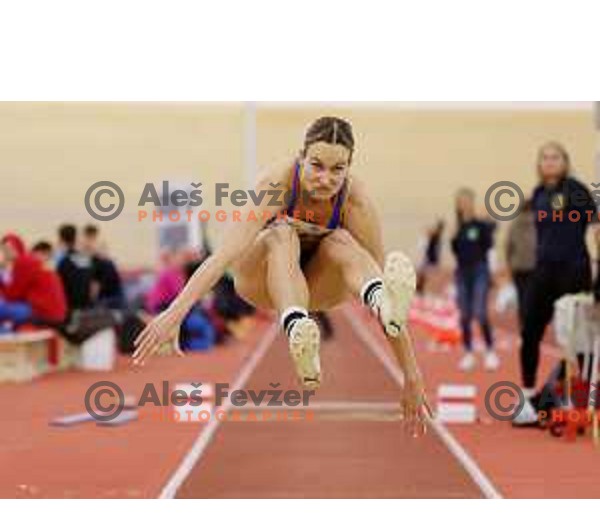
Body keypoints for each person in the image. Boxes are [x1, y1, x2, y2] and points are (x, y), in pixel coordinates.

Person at [133, 116, 431, 433]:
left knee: (342, 241)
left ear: (349, 168)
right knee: (281, 233)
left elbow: (374, 269)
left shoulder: (355, 201)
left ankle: (378, 303)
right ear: (300, 158)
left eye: (337, 170)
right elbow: (222, 258)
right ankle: (295, 325)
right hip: (262, 279)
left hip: (319, 285)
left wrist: (411, 374)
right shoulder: (276, 184)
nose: (326, 179)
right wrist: (175, 312)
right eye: (316, 165)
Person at [514, 142, 599, 426]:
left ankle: (567, 397)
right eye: (545, 158)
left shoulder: (576, 190)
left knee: (574, 340)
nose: (549, 162)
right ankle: (527, 397)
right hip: (544, 271)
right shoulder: (538, 194)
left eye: (555, 157)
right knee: (529, 332)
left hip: (573, 271)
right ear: (539, 164)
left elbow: (596, 226)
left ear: (565, 161)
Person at [450, 188, 499, 372]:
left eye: (466, 200)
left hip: (480, 271)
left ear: (471, 202)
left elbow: (490, 248)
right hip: (462, 273)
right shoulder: (458, 227)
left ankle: (490, 351)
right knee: (464, 315)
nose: (463, 204)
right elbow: (455, 251)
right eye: (459, 201)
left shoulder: (481, 225)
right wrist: (454, 235)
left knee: (480, 312)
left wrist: (492, 273)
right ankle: (468, 353)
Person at [0, 233, 67, 329]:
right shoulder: (30, 261)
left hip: (43, 312)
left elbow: (13, 295)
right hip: (56, 313)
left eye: (10, 249)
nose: (7, 253)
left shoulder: (23, 263)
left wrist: (2, 275)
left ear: (18, 247)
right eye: (4, 249)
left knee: (3, 309)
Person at [505, 200, 536, 330]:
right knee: (532, 298)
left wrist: (509, 263)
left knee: (522, 297)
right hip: (534, 267)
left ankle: (524, 325)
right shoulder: (538, 223)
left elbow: (508, 247)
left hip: (518, 267)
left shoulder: (514, 225)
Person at [81, 224, 125, 309]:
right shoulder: (102, 260)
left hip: (108, 300)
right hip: (113, 298)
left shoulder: (100, 262)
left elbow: (94, 290)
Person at [56, 224, 94, 316]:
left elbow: (59, 286)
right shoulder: (85, 258)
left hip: (71, 307)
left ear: (61, 240)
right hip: (87, 307)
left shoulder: (63, 261)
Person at [416, 219, 445, 295]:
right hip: (428, 259)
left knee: (426, 274)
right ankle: (420, 288)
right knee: (423, 273)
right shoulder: (433, 236)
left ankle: (422, 288)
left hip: (431, 260)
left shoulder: (437, 237)